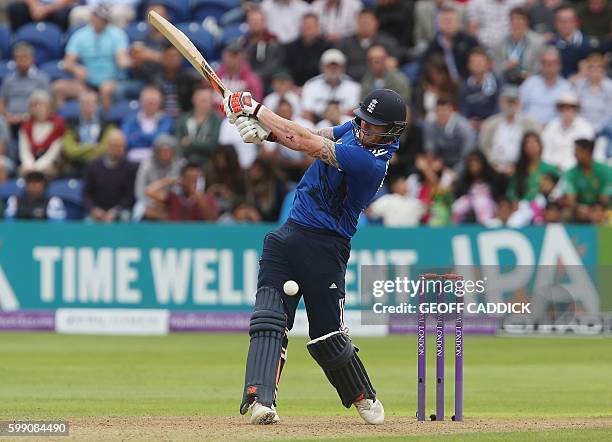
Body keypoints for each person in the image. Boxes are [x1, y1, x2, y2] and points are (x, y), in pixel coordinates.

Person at [222, 87, 408, 424]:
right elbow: (306, 134)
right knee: (268, 319)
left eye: (374, 125)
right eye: (363, 120)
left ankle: (362, 394)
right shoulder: (354, 130)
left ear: (392, 130)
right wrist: (269, 133)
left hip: (327, 247)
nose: (364, 128)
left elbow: (307, 144)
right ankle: (260, 400)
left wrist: (256, 108)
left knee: (327, 337)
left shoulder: (370, 163)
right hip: (290, 233)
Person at [59, 5, 131, 109]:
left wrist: (127, 61)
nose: (101, 21)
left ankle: (106, 122)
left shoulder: (117, 34)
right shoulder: (80, 35)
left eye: (104, 19)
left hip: (112, 81)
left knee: (105, 89)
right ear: (92, 17)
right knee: (59, 88)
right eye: (98, 17)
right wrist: (76, 68)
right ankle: (64, 122)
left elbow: (122, 59)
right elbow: (67, 63)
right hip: (87, 83)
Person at [479, 85, 539, 175]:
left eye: (514, 101)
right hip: (494, 168)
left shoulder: (530, 123)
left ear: (519, 103)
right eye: (508, 101)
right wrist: (493, 163)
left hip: (521, 169)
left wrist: (520, 166)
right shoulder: (490, 124)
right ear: (501, 103)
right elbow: (483, 147)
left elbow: (536, 147)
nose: (510, 105)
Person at [82, 129, 137, 222]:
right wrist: (94, 209)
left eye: (120, 146)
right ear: (107, 146)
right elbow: (86, 194)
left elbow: (129, 197)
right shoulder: (93, 166)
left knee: (126, 218)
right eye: (114, 146)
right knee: (88, 222)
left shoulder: (130, 168)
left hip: (120, 211)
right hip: (97, 210)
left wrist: (115, 211)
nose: (117, 149)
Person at [334, 8, 400, 81]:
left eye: (367, 22)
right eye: (362, 21)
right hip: (350, 83)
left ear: (376, 23)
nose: (364, 24)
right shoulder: (345, 43)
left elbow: (393, 63)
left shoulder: (387, 43)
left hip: (378, 83)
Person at [0, 43, 50, 135]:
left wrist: (26, 116)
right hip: (9, 120)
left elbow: (46, 104)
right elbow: (2, 102)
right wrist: (6, 115)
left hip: (32, 118)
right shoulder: (8, 79)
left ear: (32, 59)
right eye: (18, 58)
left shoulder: (41, 78)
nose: (21, 60)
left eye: (24, 57)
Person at [62, 90, 114, 177]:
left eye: (91, 103)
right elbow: (70, 150)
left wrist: (80, 147)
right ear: (79, 106)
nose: (87, 106)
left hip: (100, 167)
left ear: (97, 105)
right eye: (84, 103)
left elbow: (104, 149)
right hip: (76, 166)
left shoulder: (108, 124)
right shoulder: (70, 125)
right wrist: (93, 147)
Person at [133, 134, 184, 221]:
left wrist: (165, 203)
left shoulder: (180, 165)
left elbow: (179, 190)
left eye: (168, 150)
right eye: (162, 150)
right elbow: (140, 192)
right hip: (149, 202)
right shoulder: (146, 165)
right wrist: (153, 203)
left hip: (171, 202)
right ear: (156, 151)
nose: (165, 153)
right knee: (138, 209)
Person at [145, 162, 219, 222]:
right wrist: (171, 181)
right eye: (189, 179)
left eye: (195, 180)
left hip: (197, 235)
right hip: (175, 234)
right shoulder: (174, 197)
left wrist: (195, 192)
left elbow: (211, 219)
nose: (191, 183)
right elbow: (150, 191)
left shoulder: (208, 197)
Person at [301, 49, 360, 122]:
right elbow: (307, 111)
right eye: (329, 67)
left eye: (336, 67)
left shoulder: (353, 86)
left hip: (342, 123)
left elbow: (352, 111)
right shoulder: (311, 84)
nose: (333, 70)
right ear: (322, 67)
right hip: (317, 123)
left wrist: (333, 116)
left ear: (343, 68)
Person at [423, 6, 479, 81]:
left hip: (467, 82)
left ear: (458, 23)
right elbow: (426, 69)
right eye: (445, 21)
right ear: (439, 24)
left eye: (451, 21)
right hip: (442, 85)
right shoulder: (433, 45)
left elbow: (478, 64)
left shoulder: (470, 41)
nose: (448, 24)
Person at [491, 7, 545, 85]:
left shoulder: (538, 42)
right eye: (513, 19)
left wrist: (526, 75)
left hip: (530, 82)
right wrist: (506, 65)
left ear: (527, 22)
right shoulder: (500, 42)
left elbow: (540, 68)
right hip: (505, 82)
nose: (517, 23)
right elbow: (495, 69)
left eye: (521, 19)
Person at [541, 94, 595, 171]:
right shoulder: (551, 125)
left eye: (571, 108)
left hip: (576, 168)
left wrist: (565, 166)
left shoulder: (585, 127)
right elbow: (544, 149)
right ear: (560, 110)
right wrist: (551, 165)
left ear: (576, 110)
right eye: (564, 108)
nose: (567, 111)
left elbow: (585, 153)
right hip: (551, 168)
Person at [519, 47, 572, 125]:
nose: (549, 66)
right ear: (541, 65)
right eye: (545, 63)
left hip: (555, 130)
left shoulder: (566, 88)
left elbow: (568, 114)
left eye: (553, 63)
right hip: (530, 128)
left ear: (559, 65)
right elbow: (520, 108)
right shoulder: (529, 83)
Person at [121, 86, 174, 162]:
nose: (150, 105)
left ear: (159, 103)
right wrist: (151, 139)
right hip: (132, 159)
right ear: (141, 102)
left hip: (156, 160)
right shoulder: (130, 119)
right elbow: (126, 140)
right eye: (148, 102)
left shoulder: (166, 120)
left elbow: (160, 141)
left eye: (153, 102)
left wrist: (137, 136)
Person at [563, 138, 611, 223]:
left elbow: (604, 198)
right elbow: (571, 199)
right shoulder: (570, 173)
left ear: (588, 152)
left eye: (578, 151)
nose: (575, 154)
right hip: (581, 210)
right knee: (566, 214)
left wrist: (595, 211)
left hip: (603, 208)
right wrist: (579, 208)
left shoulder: (606, 171)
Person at [18, 90, 65, 177]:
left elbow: (53, 151)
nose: (38, 108)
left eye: (42, 104)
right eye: (35, 105)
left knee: (46, 172)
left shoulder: (58, 124)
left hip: (50, 162)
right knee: (22, 170)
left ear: (49, 106)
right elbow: (24, 150)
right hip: (31, 162)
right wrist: (29, 165)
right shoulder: (26, 125)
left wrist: (37, 167)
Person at [423, 96, 476, 172]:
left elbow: (467, 155)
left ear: (451, 111)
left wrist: (455, 172)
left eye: (444, 111)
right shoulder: (432, 125)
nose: (441, 114)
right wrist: (430, 163)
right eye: (438, 111)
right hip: (441, 163)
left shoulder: (464, 128)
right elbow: (430, 149)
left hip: (460, 165)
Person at [452, 150, 504, 225]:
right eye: (471, 163)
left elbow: (500, 197)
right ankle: (454, 226)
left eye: (476, 162)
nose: (474, 165)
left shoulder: (494, 178)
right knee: (461, 203)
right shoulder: (464, 181)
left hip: (489, 207)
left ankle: (485, 227)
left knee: (480, 201)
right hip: (471, 206)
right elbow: (459, 196)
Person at [550, 5, 602, 78]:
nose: (565, 24)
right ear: (555, 23)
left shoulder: (590, 45)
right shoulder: (549, 45)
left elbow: (597, 69)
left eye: (569, 20)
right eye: (561, 20)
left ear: (576, 22)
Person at [507, 131, 559, 203]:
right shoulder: (519, 169)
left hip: (543, 206)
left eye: (535, 142)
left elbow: (559, 189)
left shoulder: (550, 168)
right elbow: (511, 191)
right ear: (524, 148)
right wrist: (515, 201)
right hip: (522, 205)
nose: (531, 146)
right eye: (528, 143)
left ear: (540, 146)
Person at [282, 13, 332, 87]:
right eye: (306, 26)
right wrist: (292, 87)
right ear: (300, 28)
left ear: (318, 28)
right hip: (295, 88)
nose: (308, 29)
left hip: (321, 87)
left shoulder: (327, 47)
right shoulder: (290, 48)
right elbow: (286, 71)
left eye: (311, 26)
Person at [175, 88, 222, 166]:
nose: (203, 104)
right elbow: (179, 144)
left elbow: (213, 146)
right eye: (200, 100)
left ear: (211, 102)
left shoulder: (216, 121)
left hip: (208, 162)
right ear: (193, 100)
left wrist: (190, 142)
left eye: (206, 100)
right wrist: (202, 144)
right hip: (185, 163)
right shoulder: (184, 119)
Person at [242, 7, 284, 92]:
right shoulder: (244, 42)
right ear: (248, 23)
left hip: (268, 82)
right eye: (253, 20)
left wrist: (253, 78)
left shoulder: (272, 41)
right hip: (247, 81)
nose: (256, 23)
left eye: (258, 20)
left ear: (264, 22)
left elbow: (273, 66)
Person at [153, 43, 200, 119]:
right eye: (169, 56)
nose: (172, 59)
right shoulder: (156, 78)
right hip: (162, 119)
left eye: (175, 56)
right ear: (163, 57)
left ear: (180, 58)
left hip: (183, 119)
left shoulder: (189, 78)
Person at [458, 47, 501, 129]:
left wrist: (487, 123)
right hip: (472, 126)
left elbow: (499, 107)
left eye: (480, 61)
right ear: (469, 65)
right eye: (474, 62)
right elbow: (463, 109)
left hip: (493, 124)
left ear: (488, 64)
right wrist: (470, 122)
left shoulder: (497, 82)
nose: (477, 65)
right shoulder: (464, 87)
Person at [574, 53, 612, 132]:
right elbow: (575, 108)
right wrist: (583, 127)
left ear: (603, 71)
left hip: (603, 128)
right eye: (592, 70)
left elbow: (609, 114)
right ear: (587, 71)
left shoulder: (610, 87)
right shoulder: (579, 85)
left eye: (599, 70)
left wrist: (595, 128)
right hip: (581, 126)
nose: (595, 74)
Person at [414, 56, 459, 122]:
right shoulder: (423, 88)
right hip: (427, 122)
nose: (438, 77)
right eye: (434, 73)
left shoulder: (454, 86)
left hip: (449, 120)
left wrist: (438, 94)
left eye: (441, 73)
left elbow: (455, 106)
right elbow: (419, 110)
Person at [8, 0, 78, 32]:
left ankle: (60, 43)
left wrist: (48, 9)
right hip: (37, 6)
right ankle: (18, 40)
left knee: (62, 15)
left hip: (58, 7)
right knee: (15, 9)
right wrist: (34, 7)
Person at [69, 0, 138, 28]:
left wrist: (111, 6)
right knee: (77, 13)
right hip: (97, 7)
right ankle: (75, 49)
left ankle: (120, 48)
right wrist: (99, 8)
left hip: (123, 8)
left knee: (117, 14)